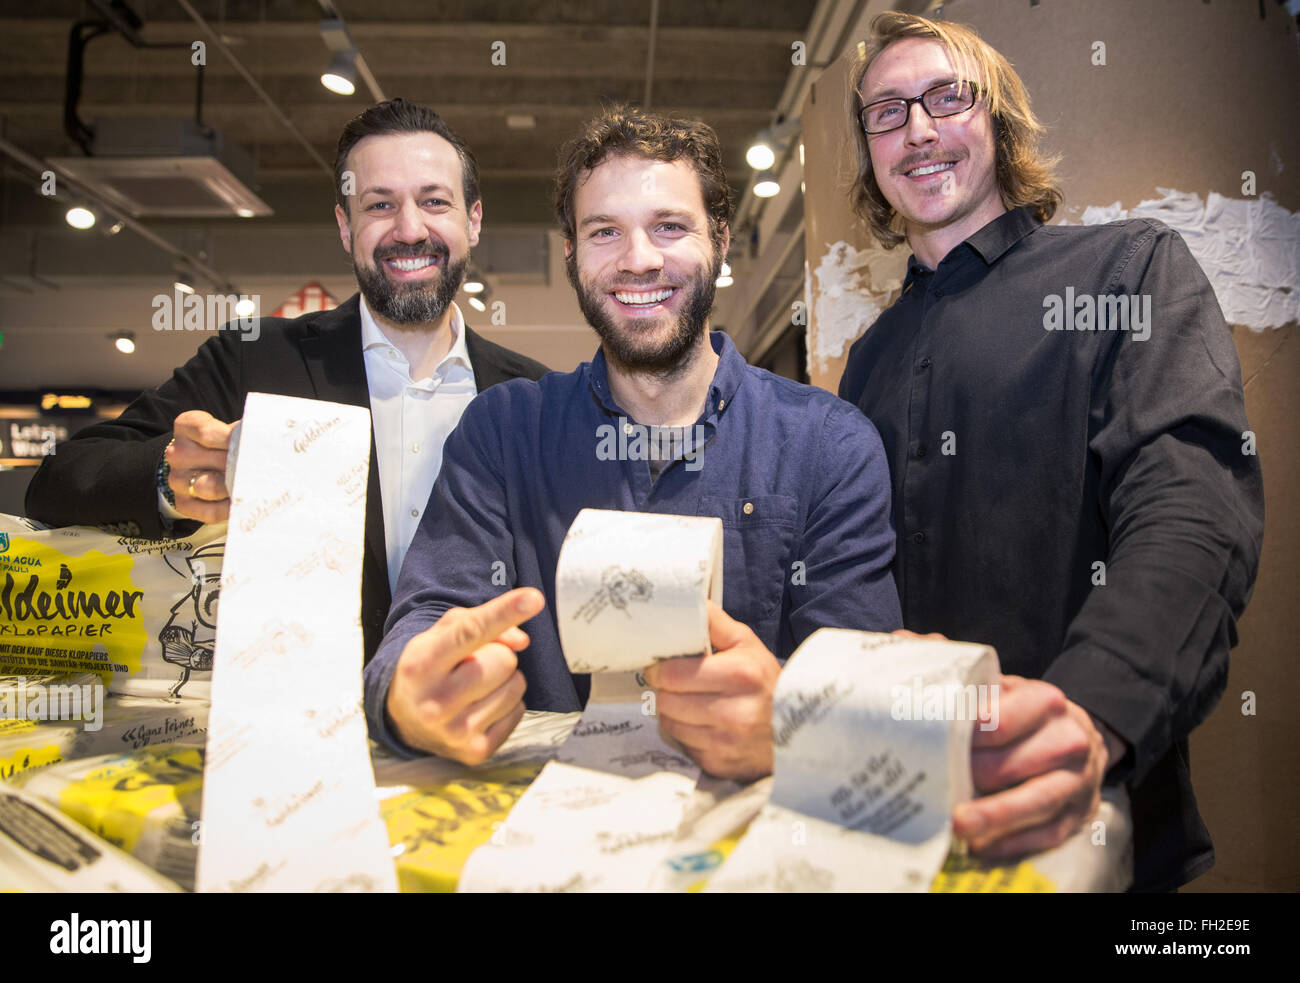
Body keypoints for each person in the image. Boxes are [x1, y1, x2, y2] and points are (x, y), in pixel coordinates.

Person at [837, 12, 1264, 891]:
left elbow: (1195, 507)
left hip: (1101, 828)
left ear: (997, 119)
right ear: (871, 152)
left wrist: (1094, 708)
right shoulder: (869, 359)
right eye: (886, 111)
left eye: (946, 97)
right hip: (912, 825)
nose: (917, 128)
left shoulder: (1127, 271)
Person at [364, 106, 902, 780]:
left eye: (669, 227)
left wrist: (801, 716)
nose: (639, 260)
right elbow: (428, 617)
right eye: (604, 232)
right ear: (571, 253)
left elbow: (867, 680)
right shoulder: (501, 434)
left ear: (721, 240)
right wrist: (407, 698)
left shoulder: (829, 444)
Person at [24, 99, 549, 663]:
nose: (409, 228)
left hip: (489, 714)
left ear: (472, 220)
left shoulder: (534, 399)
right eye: (379, 204)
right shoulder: (253, 358)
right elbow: (58, 482)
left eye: (434, 201)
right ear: (346, 227)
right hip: (292, 721)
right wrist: (167, 474)